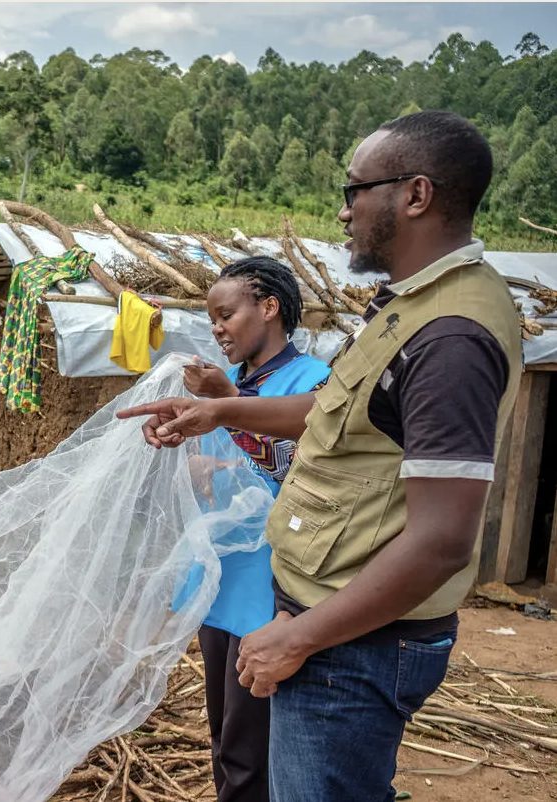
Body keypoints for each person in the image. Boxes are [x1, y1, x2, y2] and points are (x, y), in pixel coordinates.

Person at [118, 110, 522, 802]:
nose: (343, 212)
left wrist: (300, 637)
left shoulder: (451, 337)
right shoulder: (410, 310)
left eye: (355, 190)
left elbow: (441, 540)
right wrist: (218, 411)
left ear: (415, 195)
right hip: (330, 626)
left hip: (354, 648)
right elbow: (336, 413)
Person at [183, 257, 330, 802]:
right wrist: (201, 469)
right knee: (225, 741)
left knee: (251, 755)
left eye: (226, 314)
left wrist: (228, 404)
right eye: (212, 319)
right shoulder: (234, 386)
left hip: (272, 592)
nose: (217, 328)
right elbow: (221, 483)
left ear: (269, 308)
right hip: (223, 583)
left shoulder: (314, 383)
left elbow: (302, 473)